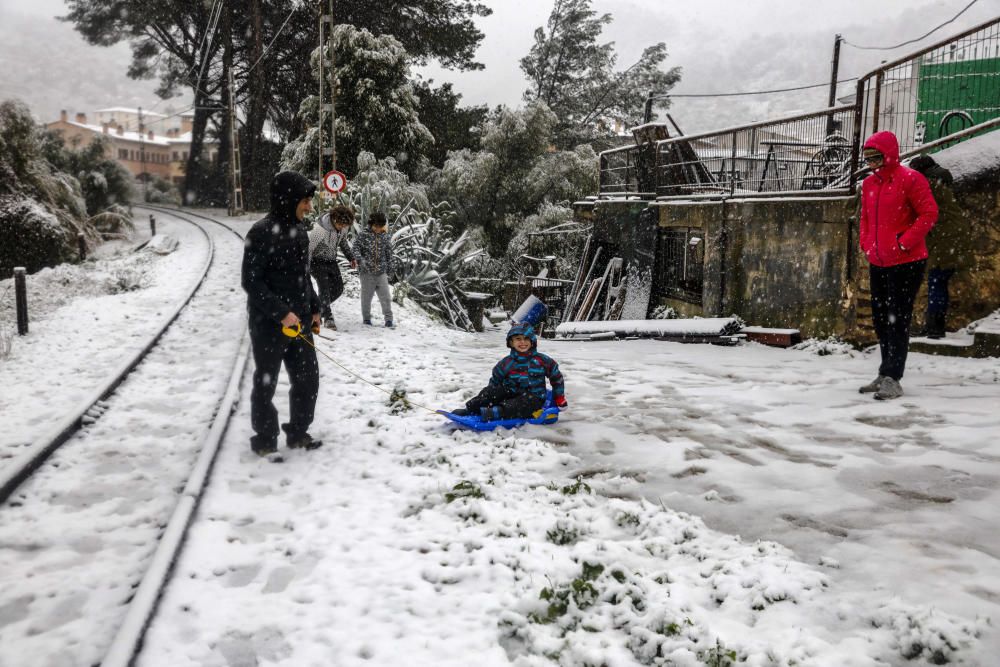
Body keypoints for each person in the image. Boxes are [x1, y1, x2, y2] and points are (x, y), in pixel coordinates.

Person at [241, 171, 324, 458]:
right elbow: (251, 281)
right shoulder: (261, 232)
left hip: (299, 322)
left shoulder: (300, 231)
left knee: (308, 378)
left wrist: (314, 308)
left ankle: (298, 432)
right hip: (268, 324)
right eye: (304, 201)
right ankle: (265, 438)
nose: (309, 207)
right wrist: (281, 313)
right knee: (267, 381)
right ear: (288, 199)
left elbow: (304, 276)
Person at [857, 131, 938, 401]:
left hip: (907, 262)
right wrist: (866, 244)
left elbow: (929, 213)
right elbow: (866, 218)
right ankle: (884, 371)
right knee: (881, 319)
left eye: (876, 157)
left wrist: (904, 243)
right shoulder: (868, 185)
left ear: (889, 154)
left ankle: (894, 376)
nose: (871, 163)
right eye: (867, 158)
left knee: (898, 318)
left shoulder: (911, 179)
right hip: (878, 259)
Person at [908, 154, 973, 339]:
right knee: (939, 282)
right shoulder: (940, 182)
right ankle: (935, 325)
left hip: (944, 241)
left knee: (936, 282)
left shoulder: (929, 186)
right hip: (951, 239)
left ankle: (934, 327)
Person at [451, 323, 567, 420]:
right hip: (511, 393)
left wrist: (559, 397)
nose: (523, 342)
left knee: (521, 404)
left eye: (526, 338)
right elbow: (495, 380)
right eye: (518, 339)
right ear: (511, 342)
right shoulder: (506, 363)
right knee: (493, 392)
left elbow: (556, 377)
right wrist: (492, 395)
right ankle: (472, 409)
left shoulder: (542, 360)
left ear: (532, 341)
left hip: (534, 398)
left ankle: (496, 413)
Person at [308, 204, 358, 331]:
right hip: (316, 261)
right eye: (340, 224)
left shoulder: (343, 227)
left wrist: (351, 257)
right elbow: (308, 249)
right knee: (324, 288)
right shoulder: (320, 230)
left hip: (331, 260)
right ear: (334, 219)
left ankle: (315, 309)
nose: (342, 227)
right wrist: (305, 268)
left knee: (338, 288)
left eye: (345, 226)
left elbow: (343, 242)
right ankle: (328, 318)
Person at [352, 211, 395, 327]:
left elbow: (389, 254)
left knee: (385, 297)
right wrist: (360, 260)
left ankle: (389, 320)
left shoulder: (385, 236)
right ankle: (366, 319)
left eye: (380, 226)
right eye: (376, 226)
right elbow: (355, 248)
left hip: (381, 273)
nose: (378, 229)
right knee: (366, 298)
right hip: (367, 273)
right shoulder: (363, 235)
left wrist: (391, 269)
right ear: (371, 224)